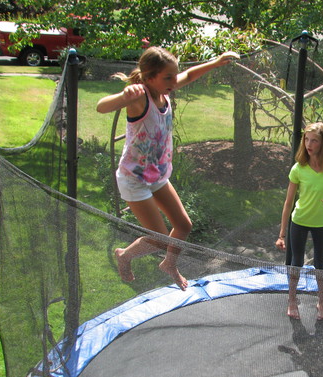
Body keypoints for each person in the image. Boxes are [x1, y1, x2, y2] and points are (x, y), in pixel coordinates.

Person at [97, 46, 239, 291]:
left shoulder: (164, 90)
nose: (174, 81)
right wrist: (124, 96)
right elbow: (101, 106)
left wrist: (216, 62)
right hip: (134, 179)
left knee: (183, 226)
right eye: (168, 77)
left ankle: (169, 264)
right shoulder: (139, 97)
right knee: (160, 239)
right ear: (149, 77)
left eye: (174, 76)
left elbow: (190, 75)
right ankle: (125, 255)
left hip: (157, 175)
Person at [275, 122, 323, 320]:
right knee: (296, 262)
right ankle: (292, 301)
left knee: (320, 264)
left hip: (322, 223)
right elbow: (288, 202)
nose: (309, 144)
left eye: (314, 140)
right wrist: (282, 234)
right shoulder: (299, 168)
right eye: (306, 139)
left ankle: (322, 303)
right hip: (299, 220)